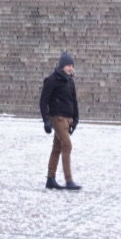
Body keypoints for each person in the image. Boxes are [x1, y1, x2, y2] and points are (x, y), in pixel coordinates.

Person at [38, 52, 80, 191]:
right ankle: (69, 181)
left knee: (57, 148)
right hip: (57, 117)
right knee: (67, 145)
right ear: (62, 66)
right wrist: (46, 121)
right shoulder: (52, 80)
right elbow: (43, 101)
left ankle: (50, 179)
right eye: (68, 65)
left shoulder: (70, 81)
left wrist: (76, 120)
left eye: (72, 66)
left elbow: (74, 101)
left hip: (67, 119)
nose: (70, 68)